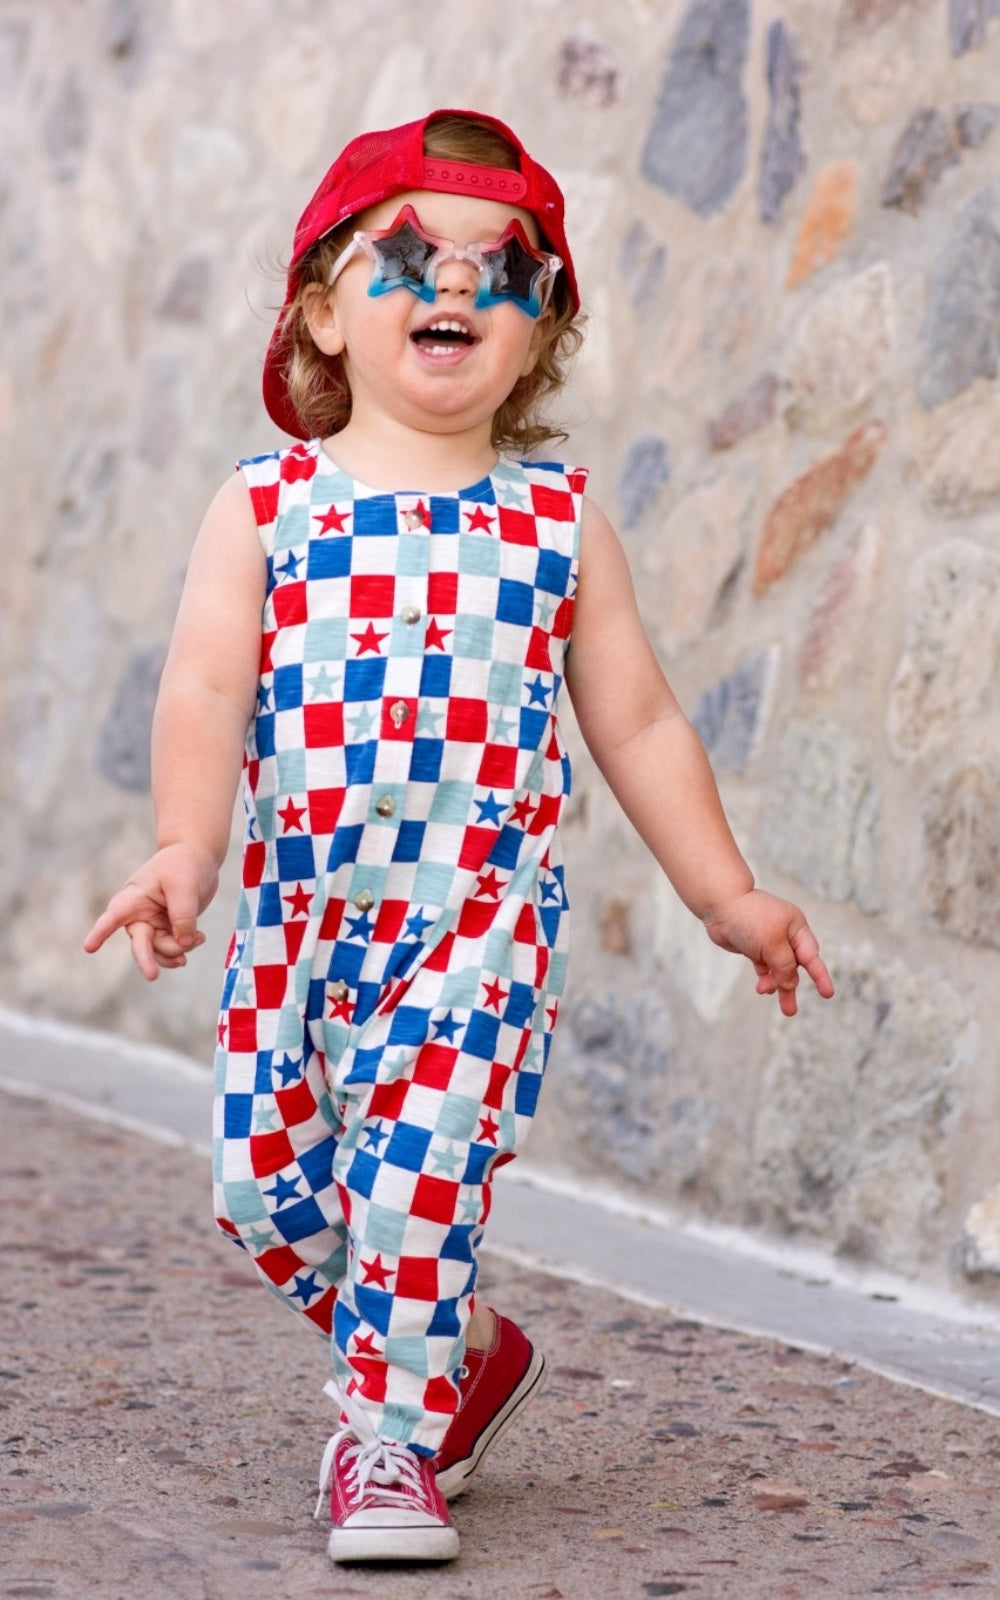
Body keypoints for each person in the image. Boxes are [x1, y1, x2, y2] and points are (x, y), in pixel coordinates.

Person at [84, 108, 835, 1565]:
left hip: (476, 932)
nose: (460, 287)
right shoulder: (268, 507)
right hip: (303, 923)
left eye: (508, 269)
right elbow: (203, 687)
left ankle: (388, 1445)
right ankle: (464, 1352)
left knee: (414, 1185)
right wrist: (187, 851)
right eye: (412, 256)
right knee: (261, 1187)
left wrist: (724, 891)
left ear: (544, 322)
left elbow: (642, 725)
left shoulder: (557, 523)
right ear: (320, 306)